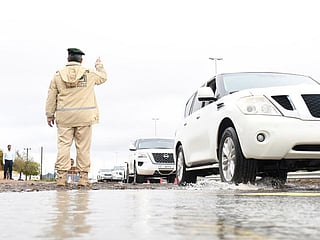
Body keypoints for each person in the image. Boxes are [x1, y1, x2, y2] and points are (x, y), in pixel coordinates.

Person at [46, 48, 107, 187]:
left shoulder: (57, 75)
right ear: (81, 60)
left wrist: (50, 115)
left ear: (68, 59)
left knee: (63, 146)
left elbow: (51, 96)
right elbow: (103, 77)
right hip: (84, 117)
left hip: (64, 117)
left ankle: (61, 178)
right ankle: (83, 179)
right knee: (83, 148)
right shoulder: (89, 73)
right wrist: (99, 65)